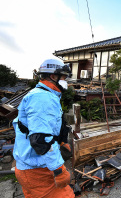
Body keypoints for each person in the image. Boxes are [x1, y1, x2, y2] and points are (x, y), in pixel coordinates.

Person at [13, 58, 75, 197]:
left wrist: (62, 141)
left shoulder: (43, 95)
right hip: (36, 171)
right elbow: (41, 140)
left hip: (32, 167)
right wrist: (59, 170)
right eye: (64, 77)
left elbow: (50, 127)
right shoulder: (43, 98)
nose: (66, 81)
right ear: (53, 76)